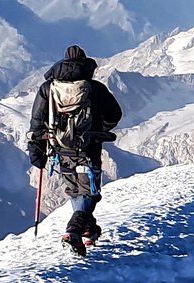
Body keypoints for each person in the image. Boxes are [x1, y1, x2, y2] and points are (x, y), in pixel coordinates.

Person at [27, 45, 123, 256]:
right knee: (89, 192)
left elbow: (37, 123)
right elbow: (114, 115)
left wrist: (37, 151)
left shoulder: (48, 89)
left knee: (74, 189)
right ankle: (73, 232)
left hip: (60, 148)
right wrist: (99, 130)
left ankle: (88, 229)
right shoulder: (94, 88)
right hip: (89, 147)